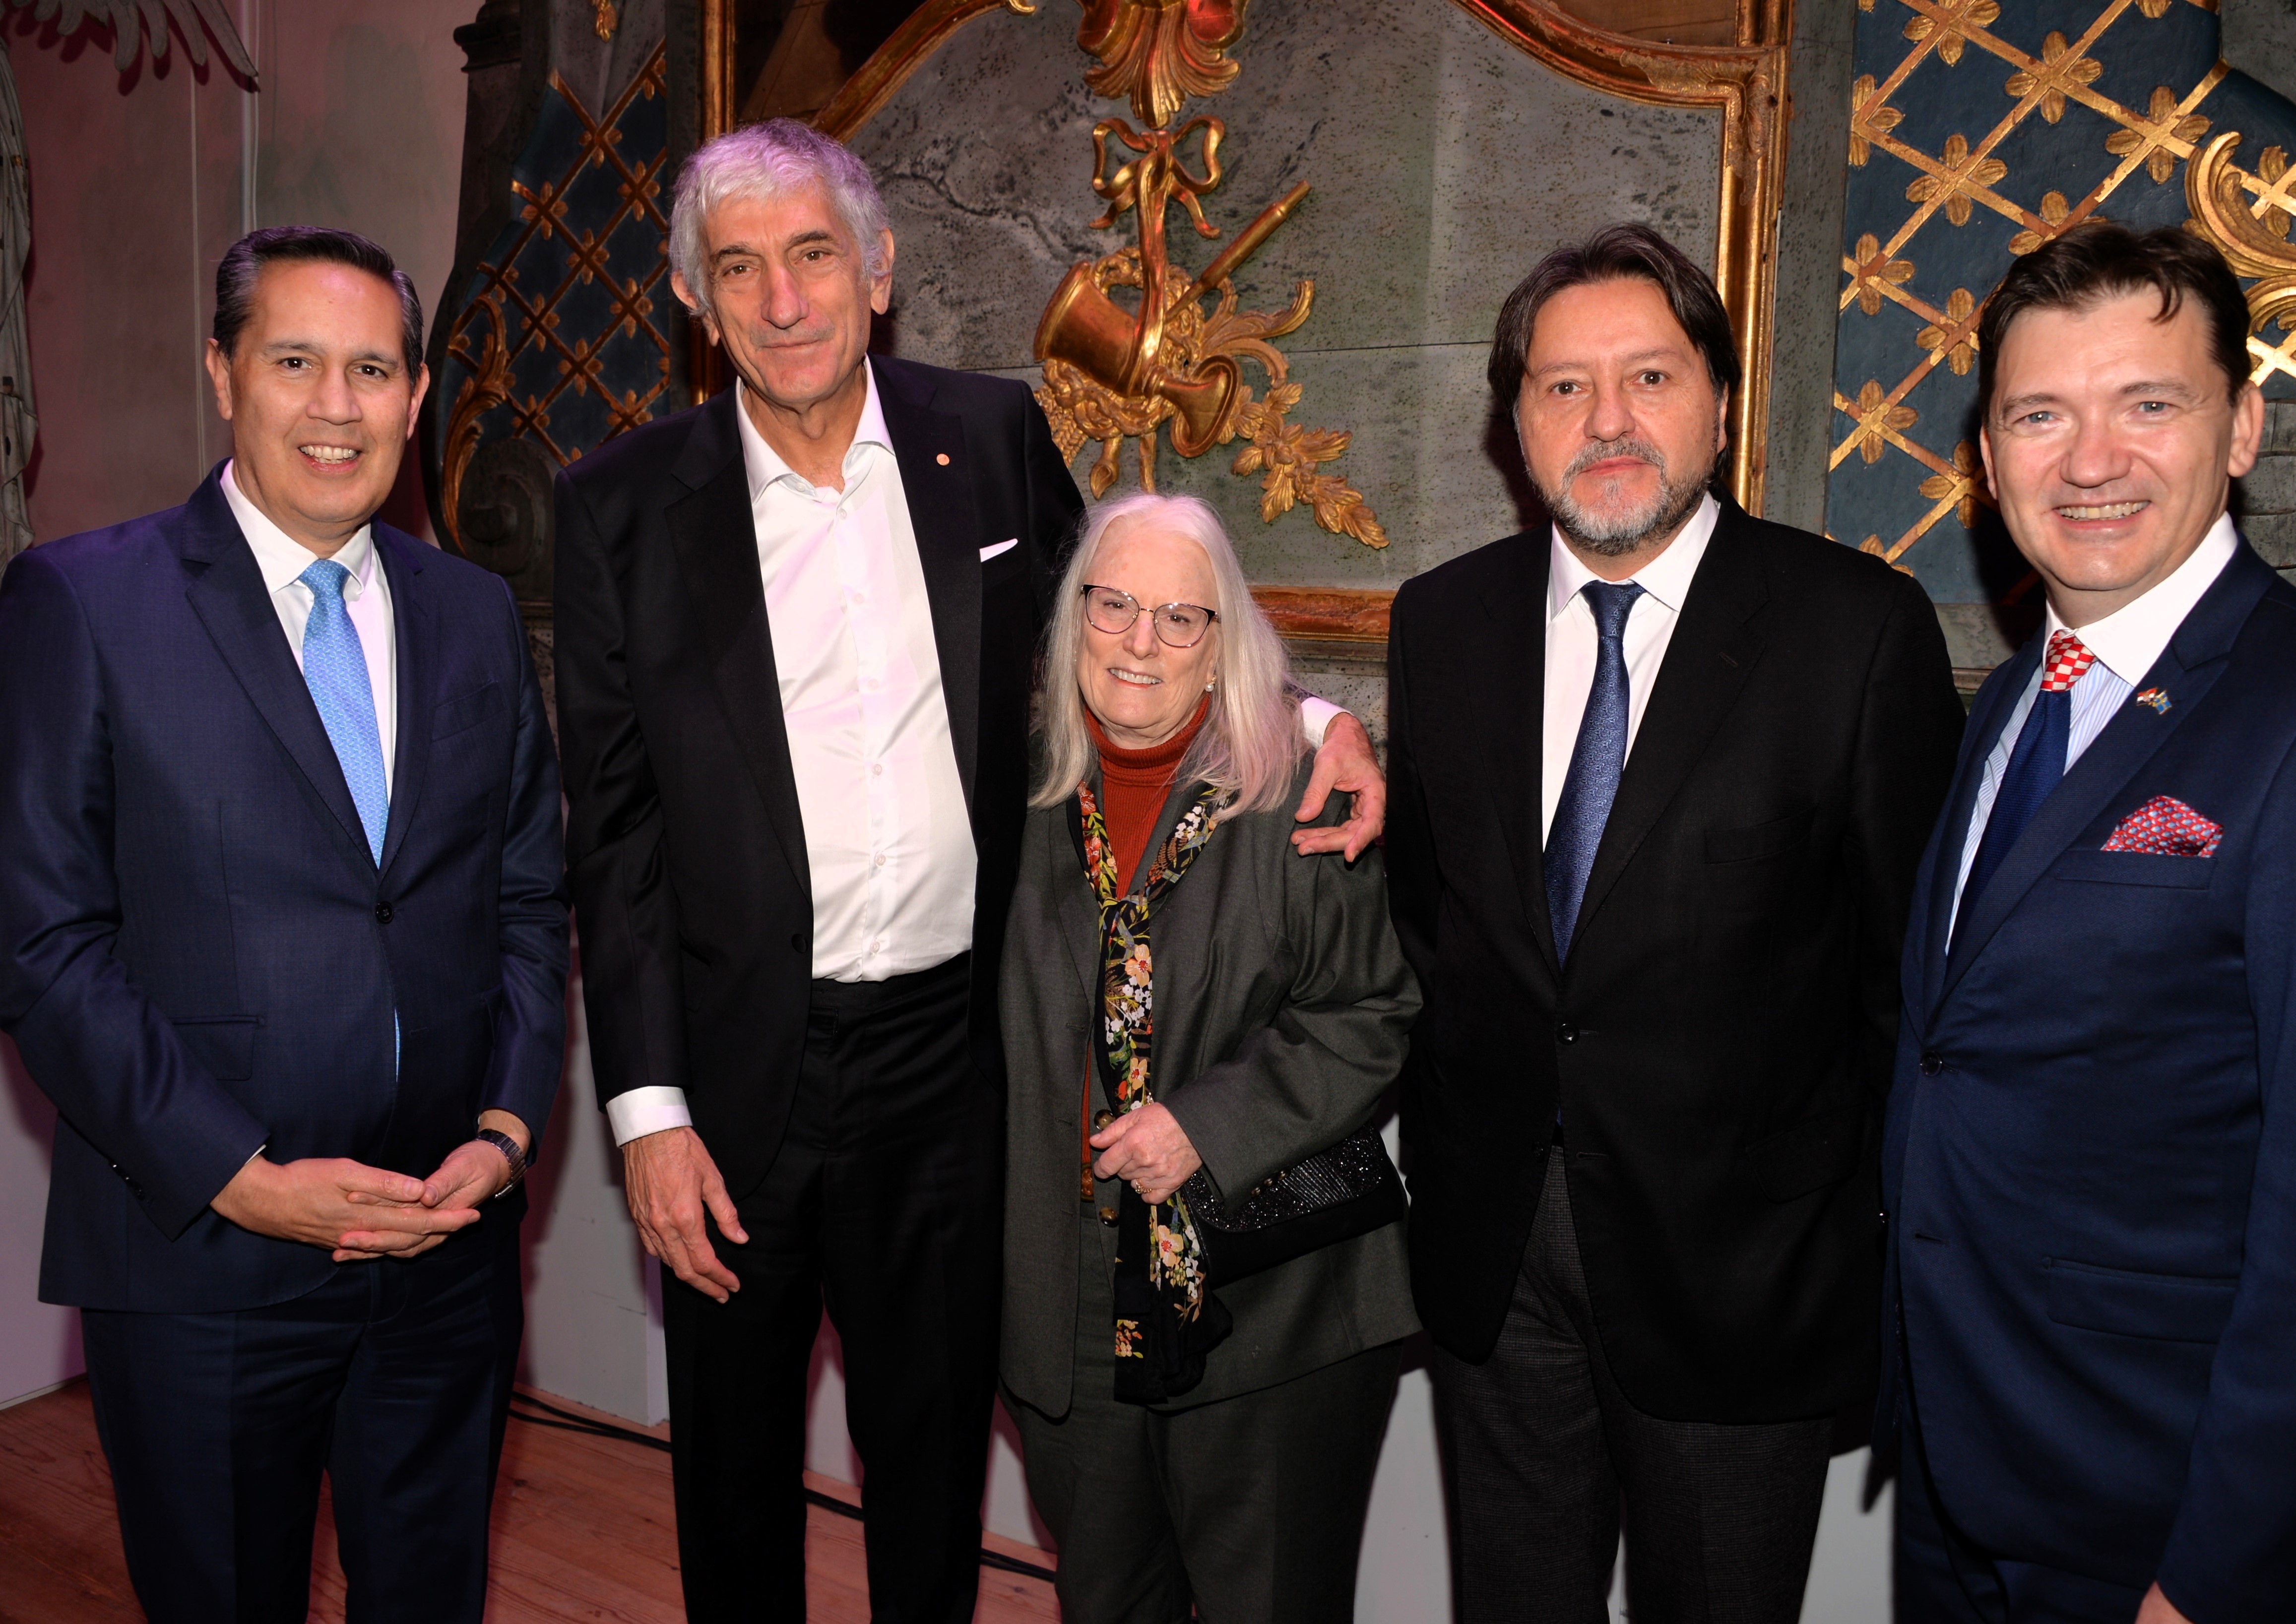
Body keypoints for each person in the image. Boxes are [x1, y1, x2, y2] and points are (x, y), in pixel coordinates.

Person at [551, 118, 1385, 1622]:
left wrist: (1314, 713)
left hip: (951, 1064)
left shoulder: (987, 440)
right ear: (693, 299)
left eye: (814, 254)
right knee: (731, 1473)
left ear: (877, 269)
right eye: (738, 268)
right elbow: (613, 836)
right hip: (732, 1079)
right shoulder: (619, 505)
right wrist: (647, 1115)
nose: (782, 300)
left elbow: (1121, 637)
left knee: (932, 1462)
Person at [1384, 223, 1964, 1623]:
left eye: (1647, 376)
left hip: (1740, 1273)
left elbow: (1909, 989)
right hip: (1495, 1248)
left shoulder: (1854, 629)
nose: (1606, 420)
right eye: (1562, 386)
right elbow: (1432, 924)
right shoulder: (1441, 621)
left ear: (1717, 399)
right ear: (1514, 423)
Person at [0, 226, 570, 1623]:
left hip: (444, 1249)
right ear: (223, 371)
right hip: (203, 1255)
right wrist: (242, 1177)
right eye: (295, 361)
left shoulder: (473, 614)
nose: (336, 406)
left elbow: (522, 896)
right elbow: (44, 944)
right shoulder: (83, 602)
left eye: (371, 370)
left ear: (417, 395)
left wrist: (505, 1132)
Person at [1882, 222, 2296, 1623]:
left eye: (2147, 403)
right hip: (1963, 1465)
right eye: (2039, 414)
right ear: (1986, 457)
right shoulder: (2010, 695)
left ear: (2241, 430)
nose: (2089, 460)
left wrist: (2223, 1573)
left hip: (2156, 1520)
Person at [998, 492, 1421, 1624]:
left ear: (1221, 639)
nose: (1139, 642)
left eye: (1179, 617)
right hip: (1065, 1296)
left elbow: (1373, 1012)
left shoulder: (1300, 793)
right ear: (1072, 616)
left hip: (1272, 1297)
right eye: (1113, 605)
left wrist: (1204, 1125)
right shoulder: (1010, 795)